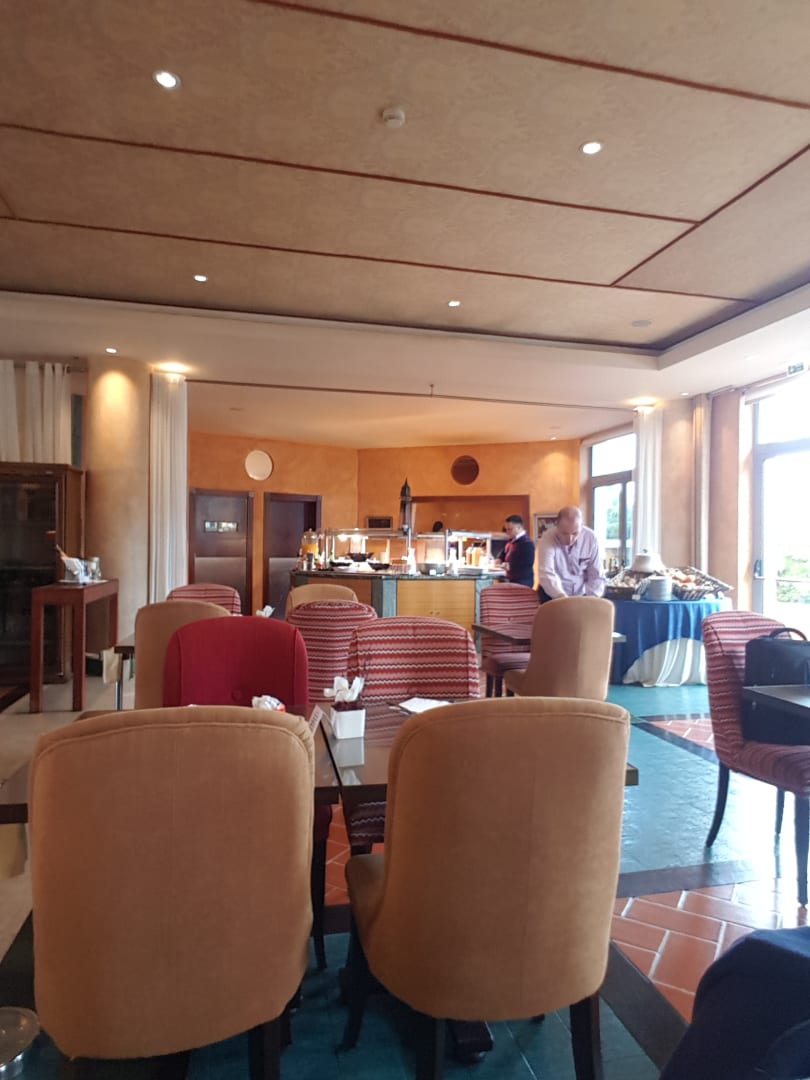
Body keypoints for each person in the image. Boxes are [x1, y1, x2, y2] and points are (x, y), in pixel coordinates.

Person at [536, 505, 605, 602]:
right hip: (552, 593)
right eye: (565, 533)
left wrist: (591, 599)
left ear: (581, 526)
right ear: (557, 525)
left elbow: (596, 574)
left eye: (575, 533)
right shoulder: (547, 539)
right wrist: (561, 598)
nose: (570, 539)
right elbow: (547, 573)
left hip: (580, 593)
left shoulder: (591, 538)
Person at [500, 514, 535, 589]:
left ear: (519, 528)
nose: (507, 532)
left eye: (510, 529)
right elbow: (504, 552)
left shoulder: (527, 542)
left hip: (522, 581)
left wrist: (510, 566)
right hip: (511, 579)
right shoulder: (511, 540)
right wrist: (499, 559)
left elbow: (528, 563)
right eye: (506, 529)